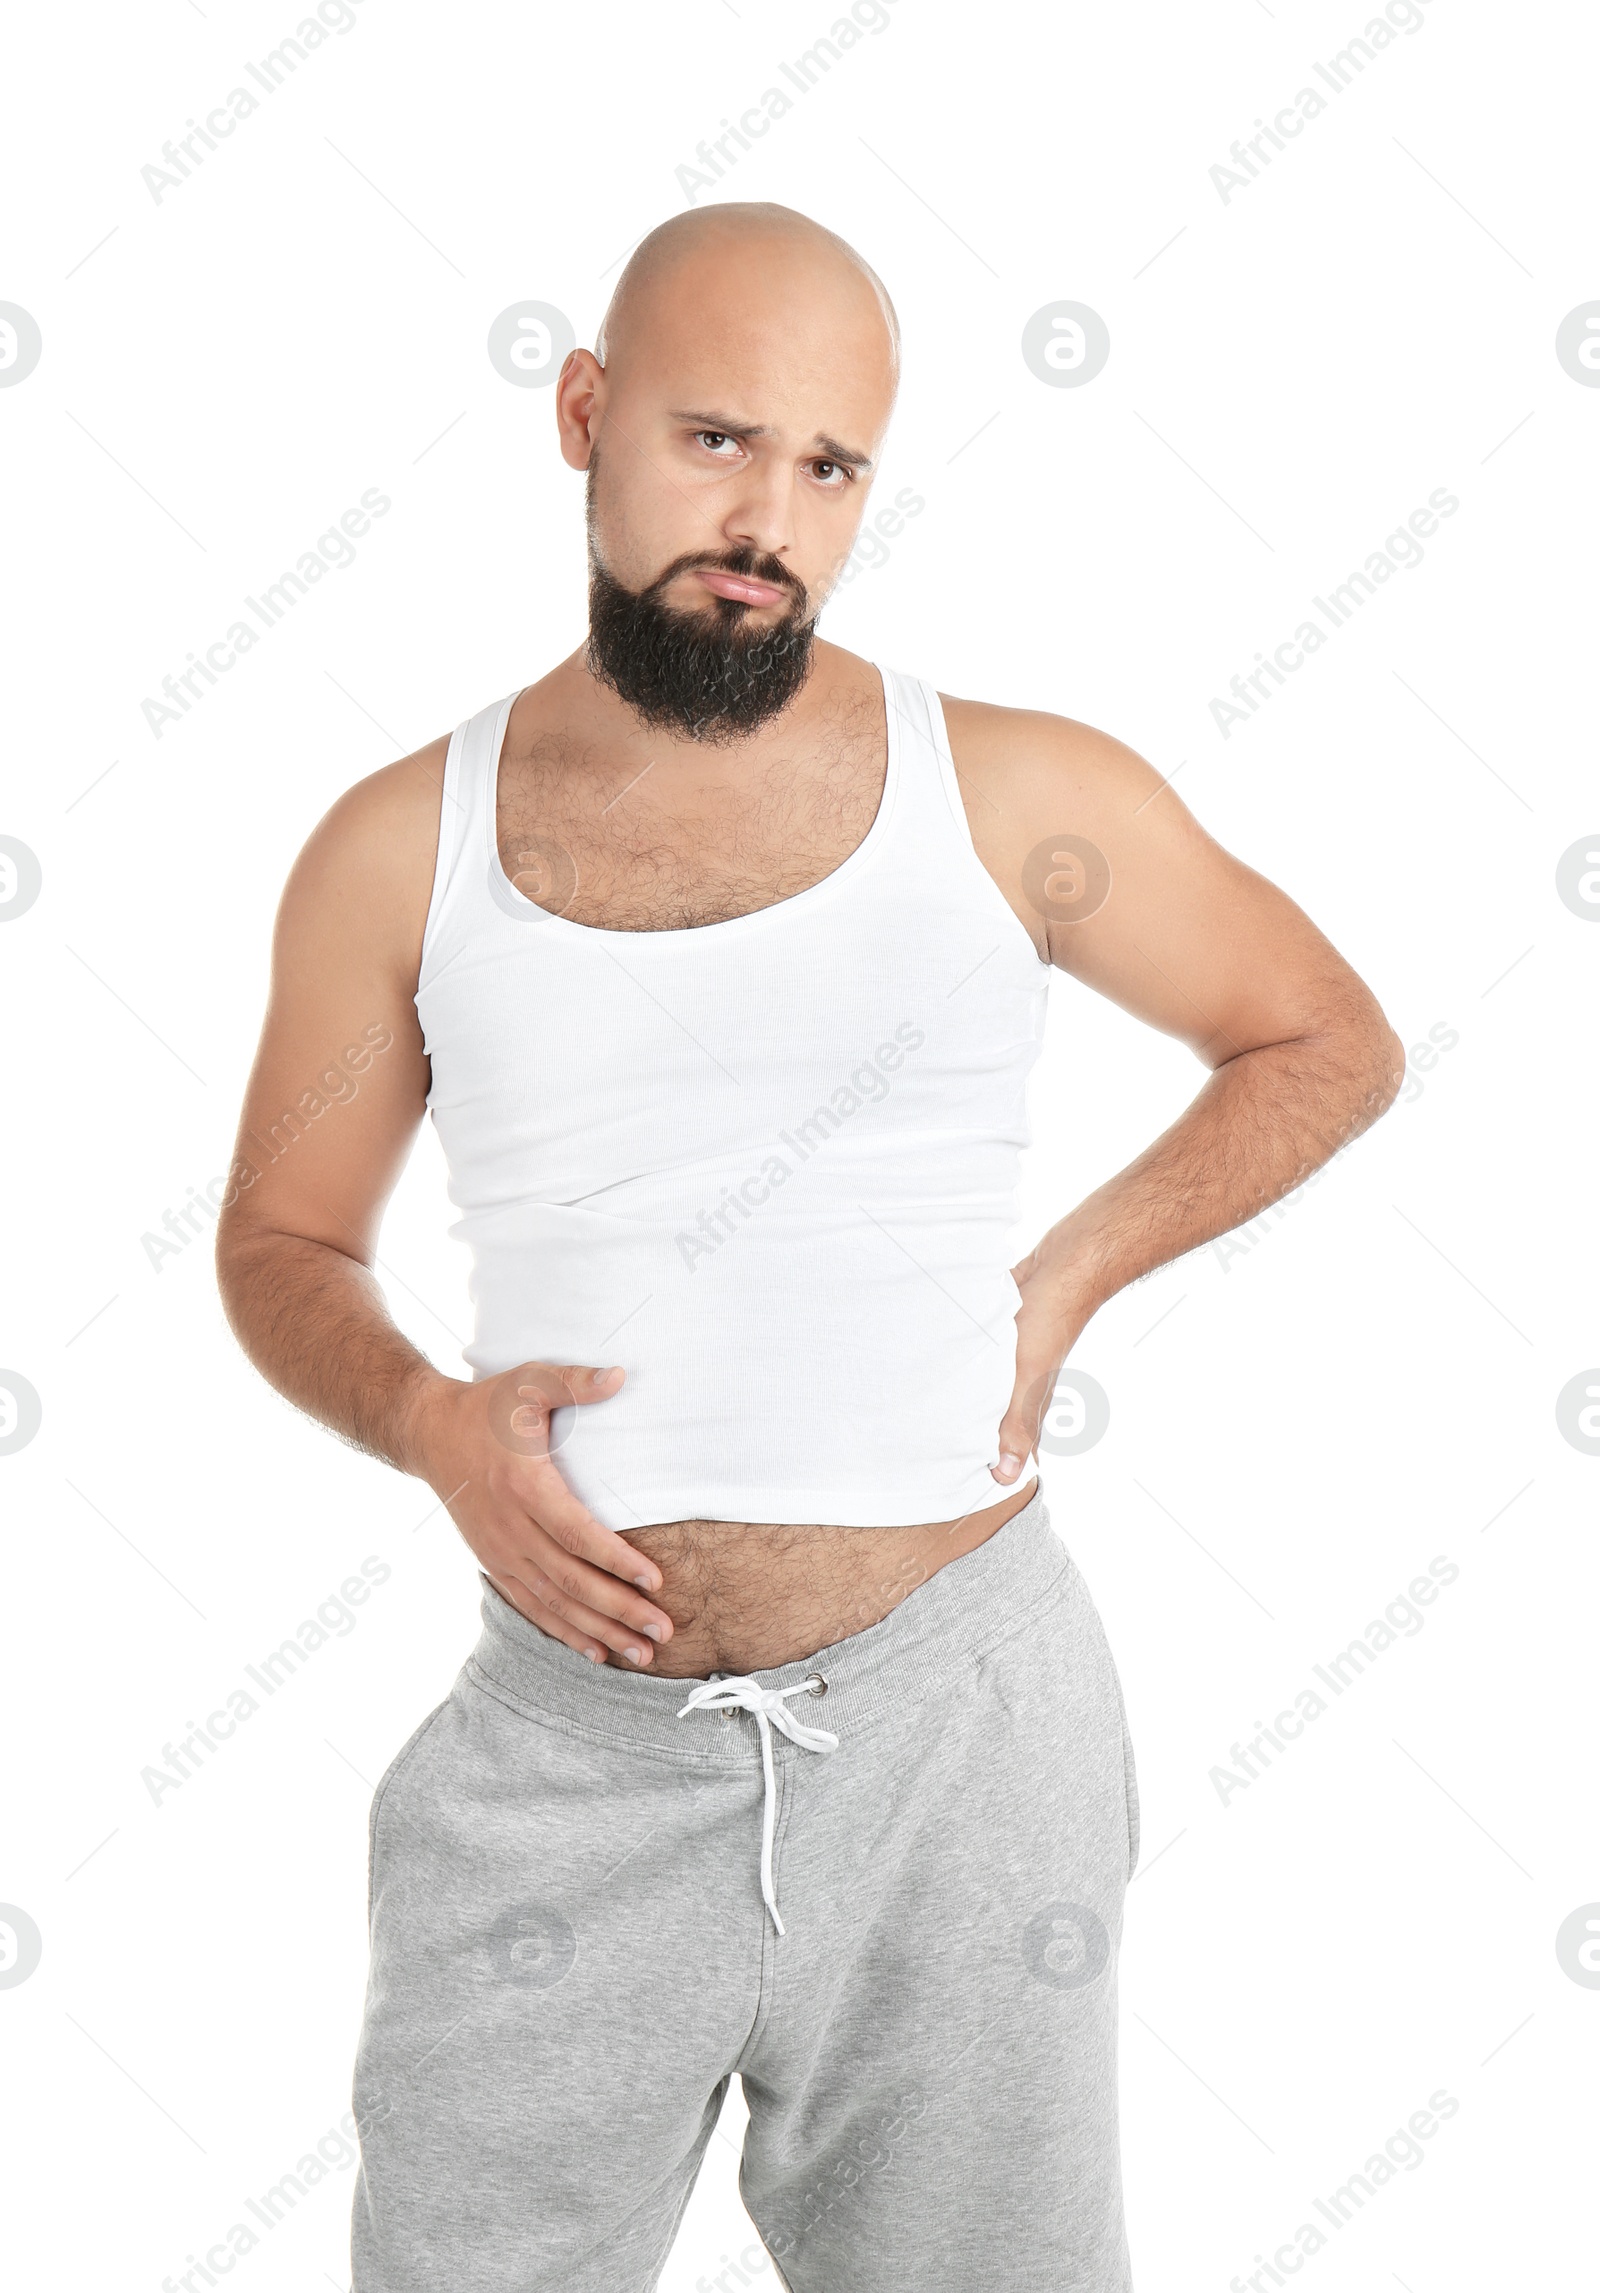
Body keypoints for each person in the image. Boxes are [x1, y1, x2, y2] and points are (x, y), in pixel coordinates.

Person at [215, 201, 1403, 2292]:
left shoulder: (1019, 787)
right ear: (584, 417)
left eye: (827, 469)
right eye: (711, 441)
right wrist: (425, 1419)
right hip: (561, 1775)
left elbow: (1321, 1037)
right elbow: (279, 1238)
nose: (764, 517)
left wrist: (1068, 1271)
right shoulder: (398, 841)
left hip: (965, 1749)